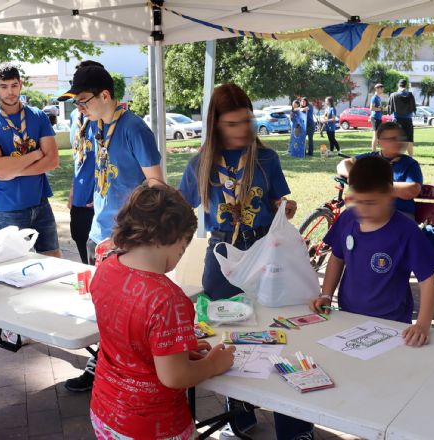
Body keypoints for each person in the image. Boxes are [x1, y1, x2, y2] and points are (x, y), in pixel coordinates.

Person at [179, 83, 305, 439]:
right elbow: (179, 206)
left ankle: (292, 421)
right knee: (229, 337)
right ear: (216, 125)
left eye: (247, 121)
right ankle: (238, 403)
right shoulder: (200, 162)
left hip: (265, 254)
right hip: (222, 258)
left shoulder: (265, 159)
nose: (243, 130)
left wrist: (285, 208)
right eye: (233, 124)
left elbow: (277, 202)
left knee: (279, 334)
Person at [89, 182, 235, 440]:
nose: (181, 254)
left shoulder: (107, 267)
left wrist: (171, 351)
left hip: (105, 410)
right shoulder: (168, 299)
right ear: (173, 238)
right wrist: (213, 364)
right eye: (183, 247)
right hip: (153, 426)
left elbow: (127, 336)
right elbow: (174, 376)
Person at [59, 65, 163, 392]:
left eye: (84, 101)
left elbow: (156, 184)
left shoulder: (134, 128)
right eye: (77, 103)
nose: (81, 108)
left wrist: (133, 228)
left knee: (131, 310)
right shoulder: (97, 126)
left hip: (128, 238)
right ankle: (106, 363)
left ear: (106, 95)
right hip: (99, 233)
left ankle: (124, 369)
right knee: (104, 308)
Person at [311, 155, 434, 344]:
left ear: (390, 194)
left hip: (392, 323)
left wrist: (422, 324)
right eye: (358, 201)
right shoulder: (347, 219)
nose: (363, 209)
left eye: (371, 203)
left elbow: (428, 279)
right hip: (348, 316)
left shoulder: (406, 230)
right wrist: (326, 294)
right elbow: (337, 258)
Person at [0, 63, 61, 257]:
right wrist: (36, 154)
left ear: (21, 85)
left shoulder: (38, 116)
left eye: (14, 85)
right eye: (4, 87)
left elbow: (53, 161)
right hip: (8, 206)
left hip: (40, 202)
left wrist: (13, 170)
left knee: (54, 259)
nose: (10, 92)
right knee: (14, 264)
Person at [336, 122, 423, 220]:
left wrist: (371, 184)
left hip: (400, 215)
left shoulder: (410, 164)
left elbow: (412, 190)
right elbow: (343, 165)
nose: (398, 142)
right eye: (392, 139)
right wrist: (355, 176)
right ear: (379, 141)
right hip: (368, 213)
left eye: (400, 138)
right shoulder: (370, 158)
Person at [67, 60, 104, 264]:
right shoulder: (75, 115)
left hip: (101, 200)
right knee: (82, 245)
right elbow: (78, 155)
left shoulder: (105, 117)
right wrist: (74, 188)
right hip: (80, 199)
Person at [387, 78, 416, 156]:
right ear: (406, 85)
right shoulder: (410, 95)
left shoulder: (393, 95)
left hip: (397, 120)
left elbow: (389, 108)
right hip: (408, 120)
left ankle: (398, 157)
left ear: (398, 85)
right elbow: (413, 107)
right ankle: (411, 158)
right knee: (409, 140)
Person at [370, 83, 384, 151]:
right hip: (375, 118)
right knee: (375, 135)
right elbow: (371, 108)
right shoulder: (374, 97)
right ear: (377, 89)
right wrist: (380, 109)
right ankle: (373, 152)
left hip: (379, 118)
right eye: (381, 88)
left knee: (378, 135)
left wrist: (382, 109)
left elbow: (378, 108)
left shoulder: (378, 98)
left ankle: (376, 150)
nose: (382, 90)